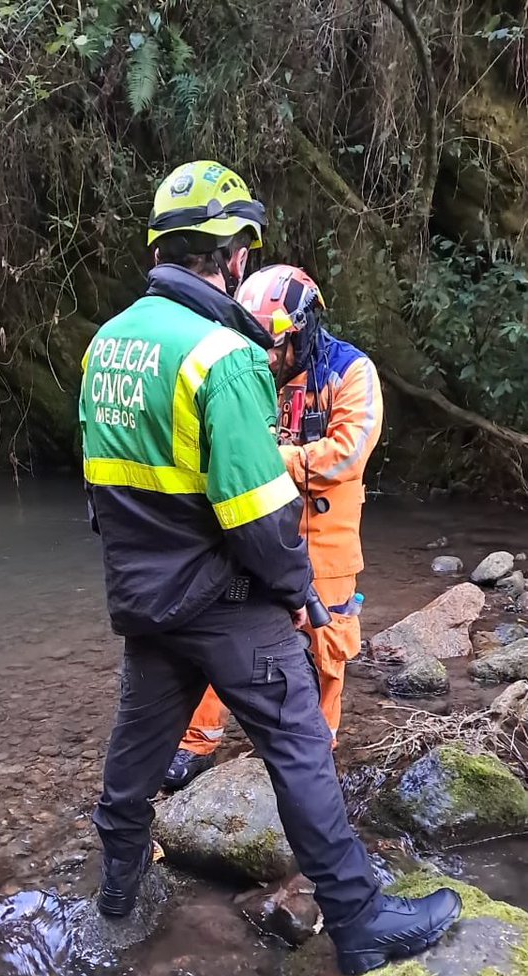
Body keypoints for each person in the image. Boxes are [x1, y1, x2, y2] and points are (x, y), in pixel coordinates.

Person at [79, 159, 461, 976]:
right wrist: (295, 594)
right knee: (299, 745)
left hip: (143, 597)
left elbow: (99, 491)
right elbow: (256, 513)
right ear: (233, 255)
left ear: (159, 247)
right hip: (223, 599)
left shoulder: (106, 346)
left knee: (134, 757)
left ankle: (116, 894)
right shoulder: (223, 356)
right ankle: (359, 920)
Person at [165, 264, 382, 789]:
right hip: (256, 528)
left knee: (327, 647)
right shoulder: (244, 371)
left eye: (274, 345)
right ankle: (196, 741)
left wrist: (266, 461)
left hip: (327, 538)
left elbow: (345, 456)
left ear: (302, 332)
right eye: (256, 341)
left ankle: (318, 749)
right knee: (223, 629)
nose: (264, 355)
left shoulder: (352, 373)